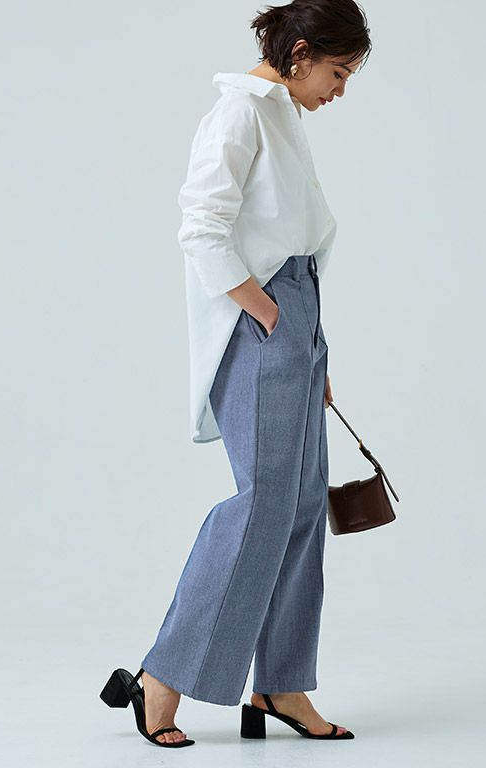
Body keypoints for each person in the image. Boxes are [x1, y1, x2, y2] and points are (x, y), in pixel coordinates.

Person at [100, 0, 371, 748]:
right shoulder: (240, 113)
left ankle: (281, 684)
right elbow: (201, 226)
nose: (340, 89)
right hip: (262, 319)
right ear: (301, 52)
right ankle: (163, 675)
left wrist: (311, 345)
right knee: (262, 504)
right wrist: (268, 315)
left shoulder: (281, 115)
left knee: (302, 505)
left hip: (296, 313)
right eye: (338, 71)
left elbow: (291, 235)